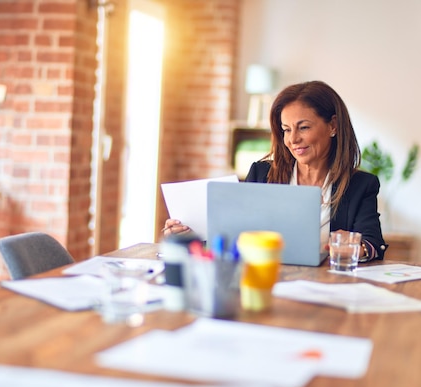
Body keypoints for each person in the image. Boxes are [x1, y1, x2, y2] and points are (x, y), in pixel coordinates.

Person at [163, 80, 387, 262]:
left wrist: (357, 247)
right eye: (286, 130)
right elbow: (235, 236)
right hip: (267, 281)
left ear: (333, 126)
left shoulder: (361, 185)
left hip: (328, 289)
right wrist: (190, 236)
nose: (293, 139)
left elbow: (373, 243)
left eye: (304, 127)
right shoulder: (261, 174)